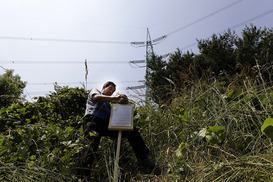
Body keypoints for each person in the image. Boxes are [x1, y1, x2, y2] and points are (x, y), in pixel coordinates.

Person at [82, 81, 154, 179]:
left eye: (113, 91)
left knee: (131, 131)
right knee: (91, 149)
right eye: (110, 89)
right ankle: (83, 177)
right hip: (92, 121)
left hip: (106, 125)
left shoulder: (109, 105)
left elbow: (116, 117)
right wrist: (115, 97)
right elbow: (96, 98)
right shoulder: (96, 91)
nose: (111, 92)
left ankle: (144, 158)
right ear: (104, 87)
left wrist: (123, 106)